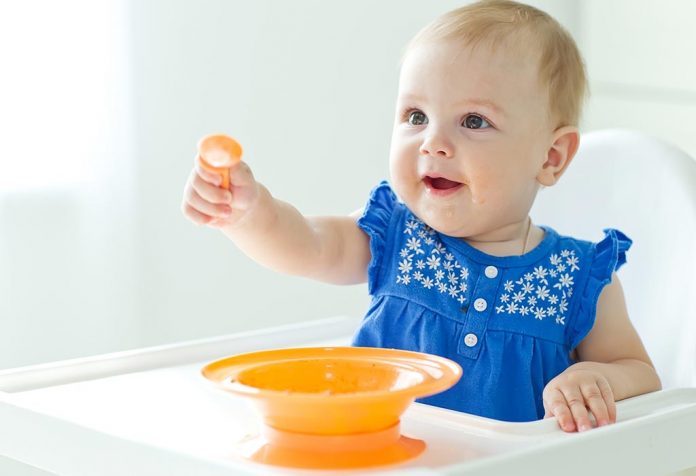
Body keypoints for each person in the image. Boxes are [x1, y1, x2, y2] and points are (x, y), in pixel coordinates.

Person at [181, 0, 661, 432]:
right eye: (415, 116)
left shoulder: (577, 278)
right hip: (377, 459)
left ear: (551, 157)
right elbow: (308, 244)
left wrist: (594, 377)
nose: (432, 141)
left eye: (474, 121)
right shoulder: (396, 234)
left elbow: (640, 372)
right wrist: (248, 213)